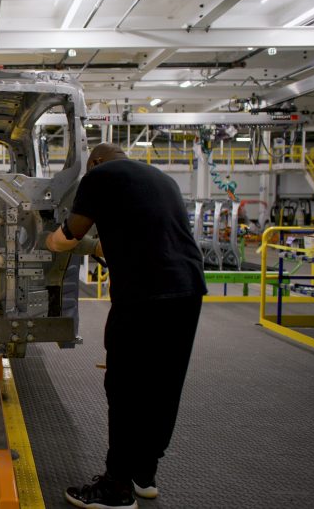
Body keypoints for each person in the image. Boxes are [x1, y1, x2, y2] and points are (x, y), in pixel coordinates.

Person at [45, 142, 206, 509]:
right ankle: (143, 474)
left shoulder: (101, 175)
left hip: (145, 295)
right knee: (162, 384)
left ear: (96, 161)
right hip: (187, 289)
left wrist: (53, 240)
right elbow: (131, 237)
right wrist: (96, 247)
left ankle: (115, 487)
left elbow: (70, 233)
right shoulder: (159, 177)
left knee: (126, 385)